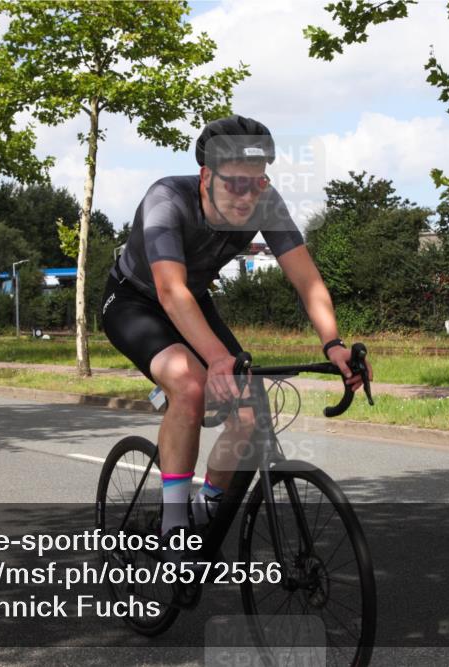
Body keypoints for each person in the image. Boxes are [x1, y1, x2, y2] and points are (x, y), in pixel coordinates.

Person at [101, 115, 371, 546]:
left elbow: (307, 280)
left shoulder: (265, 201)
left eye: (258, 182)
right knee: (190, 385)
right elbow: (170, 292)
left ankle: (206, 507)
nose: (248, 195)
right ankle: (174, 528)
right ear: (206, 175)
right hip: (136, 301)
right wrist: (217, 359)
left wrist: (334, 343)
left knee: (250, 408)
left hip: (193, 300)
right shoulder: (166, 199)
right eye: (235, 184)